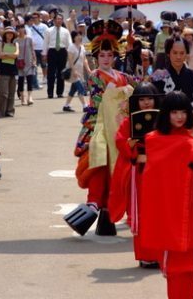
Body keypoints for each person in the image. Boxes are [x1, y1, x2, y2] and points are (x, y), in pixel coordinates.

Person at [140, 91, 193, 299]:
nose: (179, 117)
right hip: (169, 212)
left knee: (192, 271)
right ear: (166, 114)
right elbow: (153, 182)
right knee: (175, 272)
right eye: (173, 112)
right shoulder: (154, 140)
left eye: (182, 111)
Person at [67, 20, 135, 236]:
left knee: (118, 172)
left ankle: (108, 216)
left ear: (116, 55)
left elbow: (136, 90)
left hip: (121, 130)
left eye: (110, 55)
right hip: (99, 129)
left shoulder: (123, 76)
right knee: (100, 168)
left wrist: (133, 54)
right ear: (96, 57)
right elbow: (99, 102)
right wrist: (118, 93)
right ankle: (94, 206)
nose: (106, 59)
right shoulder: (95, 77)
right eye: (102, 56)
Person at [108, 82, 161, 268]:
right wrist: (130, 144)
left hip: (160, 174)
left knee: (160, 214)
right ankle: (146, 255)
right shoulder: (127, 122)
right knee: (142, 214)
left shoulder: (164, 120)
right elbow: (119, 142)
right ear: (135, 102)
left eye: (150, 99)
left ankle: (160, 254)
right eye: (142, 99)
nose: (146, 103)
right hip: (139, 174)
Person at [42, 14, 71, 99]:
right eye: (57, 19)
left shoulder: (65, 31)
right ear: (54, 20)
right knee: (51, 73)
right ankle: (50, 93)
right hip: (52, 51)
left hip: (62, 52)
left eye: (60, 19)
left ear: (62, 21)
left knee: (61, 73)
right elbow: (45, 43)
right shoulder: (48, 30)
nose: (58, 21)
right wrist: (44, 53)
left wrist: (70, 54)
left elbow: (69, 43)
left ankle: (59, 92)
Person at [63, 31, 91, 112]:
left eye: (80, 35)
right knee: (81, 88)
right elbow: (70, 60)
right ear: (73, 38)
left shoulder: (82, 47)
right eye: (77, 36)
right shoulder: (71, 47)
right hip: (73, 72)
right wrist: (74, 71)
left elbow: (84, 59)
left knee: (73, 90)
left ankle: (66, 105)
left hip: (80, 71)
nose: (79, 37)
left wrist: (88, 69)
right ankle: (85, 106)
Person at [0, 27, 18, 118]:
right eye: (8, 33)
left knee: (12, 92)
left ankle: (10, 111)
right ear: (5, 34)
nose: (9, 35)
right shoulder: (1, 43)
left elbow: (16, 54)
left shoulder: (15, 43)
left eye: (11, 33)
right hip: (3, 70)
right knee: (3, 93)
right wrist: (10, 55)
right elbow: (0, 55)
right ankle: (0, 111)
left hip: (13, 69)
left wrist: (6, 54)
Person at [14, 24, 36, 106]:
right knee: (20, 81)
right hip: (19, 62)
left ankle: (30, 97)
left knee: (30, 79)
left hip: (29, 61)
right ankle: (22, 97)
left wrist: (34, 60)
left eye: (22, 28)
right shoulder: (15, 41)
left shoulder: (29, 39)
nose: (20, 30)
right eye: (18, 28)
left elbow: (32, 50)